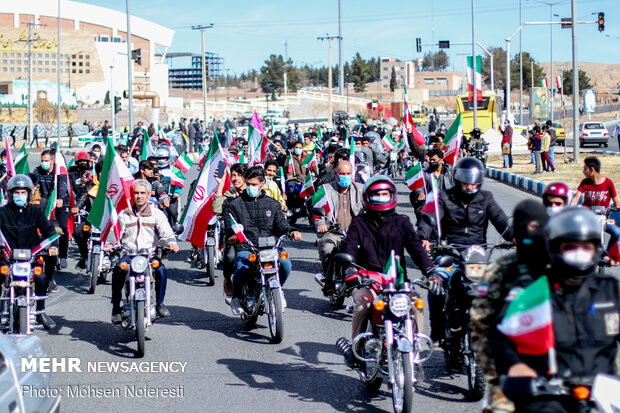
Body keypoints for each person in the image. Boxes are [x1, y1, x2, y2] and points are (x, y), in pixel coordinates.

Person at [489, 207, 619, 413]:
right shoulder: (533, 292)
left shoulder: (609, 290)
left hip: (604, 393)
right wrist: (516, 367)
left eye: (586, 247)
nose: (579, 253)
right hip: (549, 393)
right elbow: (502, 337)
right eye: (571, 246)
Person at [337, 176, 436, 366]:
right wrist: (350, 270)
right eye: (377, 194)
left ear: (392, 196)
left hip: (397, 282)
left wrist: (430, 270)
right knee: (363, 306)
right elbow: (349, 248)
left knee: (416, 304)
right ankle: (356, 351)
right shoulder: (359, 222)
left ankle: (416, 349)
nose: (381, 197)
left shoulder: (402, 221)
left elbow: (416, 249)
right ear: (368, 197)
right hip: (368, 280)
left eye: (385, 194)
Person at [417, 157, 512, 342]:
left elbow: (502, 221)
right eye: (465, 182)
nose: (469, 186)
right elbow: (428, 217)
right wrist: (423, 237)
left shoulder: (486, 198)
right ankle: (436, 328)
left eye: (472, 183)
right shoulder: (443, 197)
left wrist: (514, 235)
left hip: (478, 256)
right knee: (435, 284)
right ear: (457, 179)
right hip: (449, 253)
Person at [471, 200, 550, 413]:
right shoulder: (500, 272)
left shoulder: (559, 268)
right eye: (525, 228)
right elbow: (481, 326)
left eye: (536, 227)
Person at [223, 166, 302, 315]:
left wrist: (292, 231)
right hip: (247, 247)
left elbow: (282, 226)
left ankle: (278, 288)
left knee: (285, 264)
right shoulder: (233, 205)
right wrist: (233, 236)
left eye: (254, 184)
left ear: (262, 183)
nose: (251, 187)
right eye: (249, 184)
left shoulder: (273, 204)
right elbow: (229, 229)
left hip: (271, 248)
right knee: (242, 268)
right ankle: (237, 297)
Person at [110, 180, 179, 323]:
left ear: (148, 195)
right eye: (136, 193)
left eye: (143, 193)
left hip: (149, 254)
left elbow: (166, 231)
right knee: (118, 269)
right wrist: (111, 243)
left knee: (160, 270)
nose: (139, 196)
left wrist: (171, 242)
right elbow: (115, 233)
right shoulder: (124, 214)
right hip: (129, 254)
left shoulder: (157, 214)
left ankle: (160, 303)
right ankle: (116, 306)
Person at [0, 175, 59, 329]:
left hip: (31, 257)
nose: (20, 196)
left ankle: (40, 311)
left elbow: (48, 230)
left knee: (41, 277)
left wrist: (52, 246)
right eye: (16, 192)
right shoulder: (2, 212)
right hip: (7, 257)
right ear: (10, 194)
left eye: (23, 192)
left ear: (29, 194)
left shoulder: (36, 211)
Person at [314, 160, 364, 292]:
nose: (345, 176)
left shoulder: (361, 189)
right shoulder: (325, 189)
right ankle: (328, 280)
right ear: (336, 174)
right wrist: (321, 224)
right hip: (334, 231)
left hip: (356, 233)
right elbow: (317, 211)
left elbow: (371, 208)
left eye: (348, 173)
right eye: (342, 173)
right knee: (327, 248)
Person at [33, 150, 70, 282]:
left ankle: (63, 256)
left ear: (53, 161)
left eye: (46, 160)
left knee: (62, 228)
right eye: (42, 160)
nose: (44, 163)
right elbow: (33, 181)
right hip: (45, 202)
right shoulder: (38, 171)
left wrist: (59, 198)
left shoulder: (58, 171)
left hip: (60, 202)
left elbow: (62, 186)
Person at [213, 163, 248, 298]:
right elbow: (216, 209)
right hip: (233, 237)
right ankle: (228, 280)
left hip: (253, 236)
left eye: (240, 175)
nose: (236, 178)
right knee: (229, 257)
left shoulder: (252, 193)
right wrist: (220, 184)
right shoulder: (229, 196)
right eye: (233, 175)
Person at [409, 148, 454, 215]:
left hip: (447, 206)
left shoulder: (450, 172)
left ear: (441, 160)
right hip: (430, 206)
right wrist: (420, 193)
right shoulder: (424, 173)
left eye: (434, 160)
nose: (431, 162)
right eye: (430, 160)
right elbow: (419, 186)